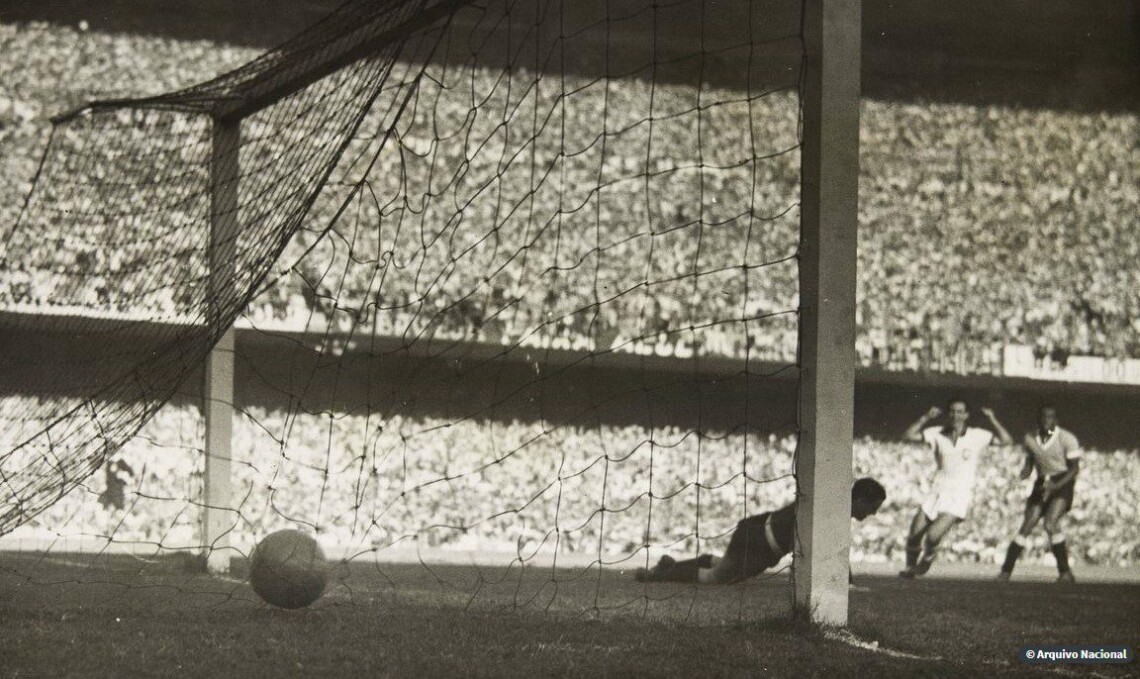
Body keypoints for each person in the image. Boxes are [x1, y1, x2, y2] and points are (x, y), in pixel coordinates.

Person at [634, 478, 886, 584]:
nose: (872, 514)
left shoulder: (832, 504)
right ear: (860, 500)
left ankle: (672, 564)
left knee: (723, 569)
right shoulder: (833, 511)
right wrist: (848, 585)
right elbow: (836, 553)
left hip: (758, 533)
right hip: (760, 542)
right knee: (717, 578)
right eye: (872, 507)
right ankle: (657, 576)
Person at [898, 399, 1013, 578]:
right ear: (947, 414)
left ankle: (928, 558)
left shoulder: (977, 435)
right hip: (936, 491)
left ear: (966, 415)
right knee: (914, 534)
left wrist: (992, 419)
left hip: (959, 495)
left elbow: (1007, 441)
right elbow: (907, 436)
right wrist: (926, 417)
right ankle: (909, 569)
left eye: (960, 412)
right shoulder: (936, 433)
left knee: (933, 537)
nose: (955, 415)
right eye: (952, 411)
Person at [997, 406, 1081, 583]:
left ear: (1055, 420)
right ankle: (1005, 572)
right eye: (1043, 417)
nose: (1046, 420)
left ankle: (1065, 573)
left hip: (1062, 482)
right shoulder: (1030, 439)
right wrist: (1021, 475)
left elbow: (1074, 469)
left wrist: (1056, 485)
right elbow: (1029, 464)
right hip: (1042, 482)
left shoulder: (1067, 438)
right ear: (1038, 419)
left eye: (1050, 417)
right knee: (1027, 525)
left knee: (1050, 524)